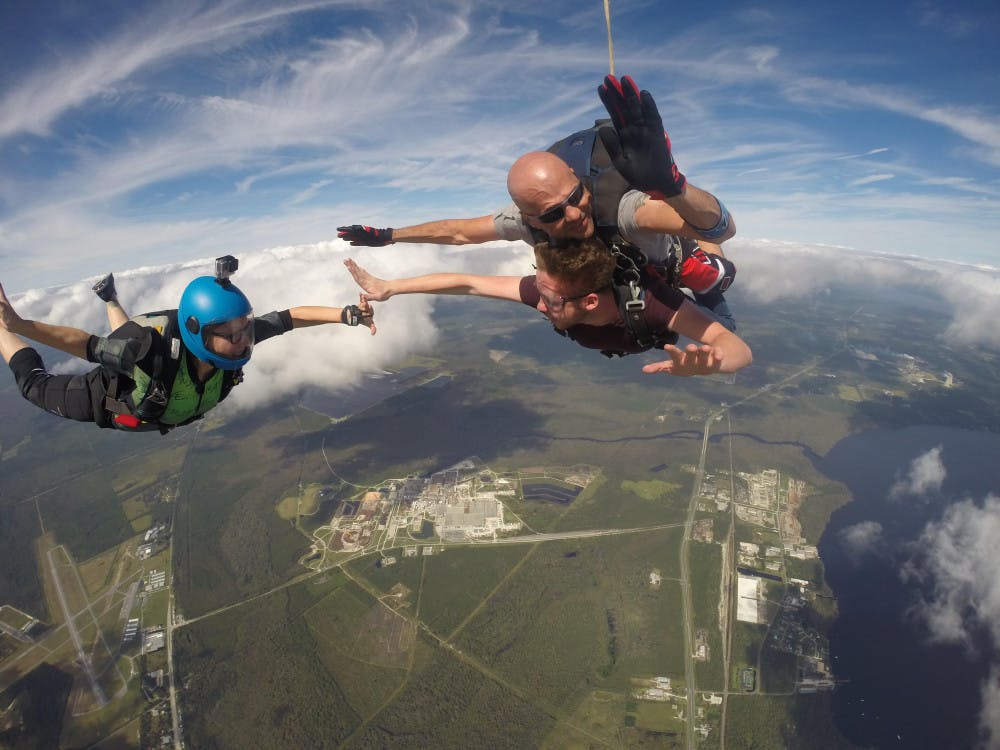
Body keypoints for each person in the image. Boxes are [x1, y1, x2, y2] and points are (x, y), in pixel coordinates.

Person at [337, 75, 738, 329]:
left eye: (576, 196)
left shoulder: (624, 210)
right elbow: (458, 233)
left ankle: (702, 272)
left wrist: (673, 186)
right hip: (610, 286)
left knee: (711, 275)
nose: (576, 213)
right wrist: (390, 236)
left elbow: (719, 227)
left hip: (667, 263)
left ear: (580, 184)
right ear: (532, 217)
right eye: (553, 214)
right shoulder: (522, 222)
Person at [0, 256, 376, 433]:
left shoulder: (234, 338)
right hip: (111, 398)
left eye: (245, 327)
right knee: (33, 385)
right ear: (198, 333)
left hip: (149, 381)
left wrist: (347, 315)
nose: (243, 340)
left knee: (127, 343)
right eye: (230, 334)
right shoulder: (150, 352)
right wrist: (17, 324)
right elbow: (84, 344)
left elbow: (291, 317)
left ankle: (110, 298)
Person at [343, 235, 751, 377]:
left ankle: (699, 234)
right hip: (635, 326)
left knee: (714, 279)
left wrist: (711, 364)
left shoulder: (654, 304)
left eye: (552, 301)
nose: (540, 306)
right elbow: (467, 283)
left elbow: (735, 347)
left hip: (670, 286)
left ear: (591, 301)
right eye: (540, 291)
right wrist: (390, 287)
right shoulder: (546, 290)